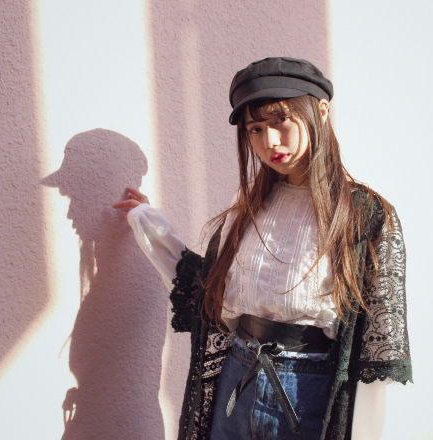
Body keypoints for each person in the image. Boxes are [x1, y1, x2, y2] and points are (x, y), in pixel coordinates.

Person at [113, 57, 412, 440]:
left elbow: (377, 350)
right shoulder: (249, 209)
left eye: (280, 121)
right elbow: (209, 289)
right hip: (236, 378)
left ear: (321, 111)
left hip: (310, 390)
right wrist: (149, 224)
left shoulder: (365, 215)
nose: (269, 141)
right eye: (255, 128)